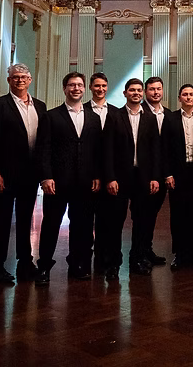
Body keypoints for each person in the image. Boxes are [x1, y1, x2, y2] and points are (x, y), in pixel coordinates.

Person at [0, 63, 48, 283]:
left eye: (23, 77)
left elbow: (44, 142)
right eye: (15, 77)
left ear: (30, 80)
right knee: (1, 220)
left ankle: (25, 263)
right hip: (6, 175)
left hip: (30, 175)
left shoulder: (40, 106)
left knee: (25, 219)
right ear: (9, 81)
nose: (20, 80)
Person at [35, 72, 102, 286]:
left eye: (80, 85)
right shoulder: (51, 116)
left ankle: (77, 264)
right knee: (51, 224)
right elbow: (43, 148)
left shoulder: (94, 117)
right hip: (58, 182)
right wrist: (46, 177)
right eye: (72, 85)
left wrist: (97, 175)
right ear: (64, 89)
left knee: (81, 226)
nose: (76, 88)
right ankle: (44, 267)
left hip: (84, 182)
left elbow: (96, 150)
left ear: (85, 89)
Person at [98, 78, 160, 280]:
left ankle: (138, 259)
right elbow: (106, 150)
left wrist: (154, 177)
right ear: (125, 93)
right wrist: (110, 178)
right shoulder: (114, 116)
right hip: (119, 178)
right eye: (132, 90)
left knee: (142, 221)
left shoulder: (150, 117)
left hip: (143, 178)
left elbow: (155, 151)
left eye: (139, 90)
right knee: (115, 222)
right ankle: (113, 262)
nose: (136, 93)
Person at [162, 83, 193, 271]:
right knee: (178, 216)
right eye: (185, 94)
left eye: (191, 94)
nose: (188, 97)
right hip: (178, 174)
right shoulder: (171, 119)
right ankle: (180, 255)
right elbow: (165, 148)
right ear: (180, 98)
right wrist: (167, 174)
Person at [85, 72, 116, 276]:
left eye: (104, 86)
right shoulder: (83, 110)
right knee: (86, 218)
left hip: (110, 173)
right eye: (97, 86)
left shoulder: (115, 112)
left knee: (107, 218)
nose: (101, 89)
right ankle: (84, 256)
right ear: (90, 87)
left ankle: (104, 254)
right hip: (88, 173)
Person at [141, 76, 172, 266]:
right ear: (146, 92)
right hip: (144, 173)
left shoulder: (168, 114)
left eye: (159, 89)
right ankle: (140, 253)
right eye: (152, 89)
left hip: (162, 172)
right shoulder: (139, 112)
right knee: (143, 214)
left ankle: (148, 249)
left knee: (152, 214)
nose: (156, 92)